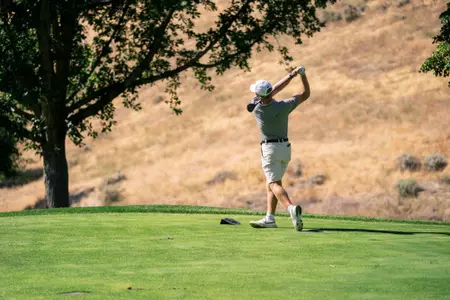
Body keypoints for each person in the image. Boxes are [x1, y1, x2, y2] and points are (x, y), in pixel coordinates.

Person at [248, 66, 310, 231]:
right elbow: (305, 94)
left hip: (270, 149)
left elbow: (273, 91)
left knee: (274, 183)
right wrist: (299, 75)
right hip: (285, 148)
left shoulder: (257, 108)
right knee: (273, 182)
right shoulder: (284, 105)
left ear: (260, 95)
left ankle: (291, 208)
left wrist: (291, 76)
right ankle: (270, 218)